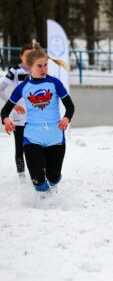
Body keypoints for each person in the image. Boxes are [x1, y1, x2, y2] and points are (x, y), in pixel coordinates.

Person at [1, 43, 75, 193]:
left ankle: (51, 187)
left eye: (45, 65)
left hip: (54, 135)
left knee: (53, 177)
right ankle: (44, 200)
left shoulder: (55, 83)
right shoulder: (23, 87)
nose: (44, 69)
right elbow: (5, 111)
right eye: (39, 66)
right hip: (32, 136)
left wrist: (66, 119)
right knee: (38, 180)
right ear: (30, 67)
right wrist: (6, 120)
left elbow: (70, 106)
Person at [0, 44, 32, 175]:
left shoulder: (37, 70)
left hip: (34, 116)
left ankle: (35, 175)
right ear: (21, 57)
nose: (29, 58)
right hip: (18, 116)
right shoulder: (14, 71)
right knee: (20, 147)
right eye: (26, 55)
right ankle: (21, 178)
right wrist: (13, 105)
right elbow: (0, 90)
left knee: (33, 147)